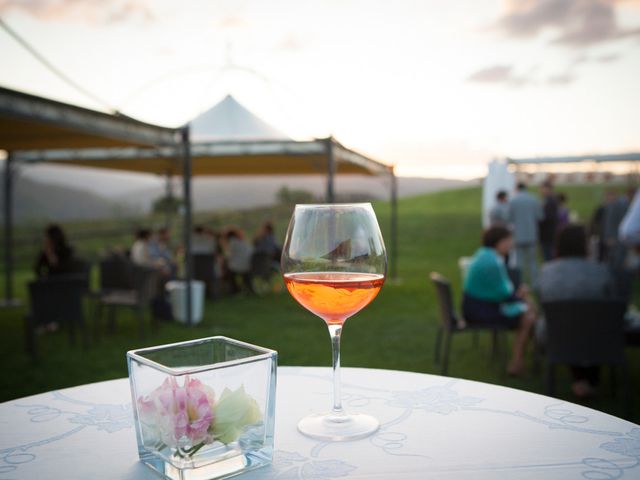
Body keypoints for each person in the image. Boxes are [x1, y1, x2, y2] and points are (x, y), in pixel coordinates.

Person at [538, 224, 617, 398]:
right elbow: (611, 301)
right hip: (599, 339)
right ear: (585, 244)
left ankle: (580, 379)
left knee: (571, 325)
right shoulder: (601, 271)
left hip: (556, 337)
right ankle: (588, 380)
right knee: (588, 324)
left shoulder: (547, 271)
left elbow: (543, 301)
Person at [462, 226, 537, 376]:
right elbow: (503, 294)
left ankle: (525, 357)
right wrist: (520, 296)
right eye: (508, 241)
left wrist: (518, 296)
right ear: (499, 241)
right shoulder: (491, 261)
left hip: (477, 307)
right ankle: (517, 363)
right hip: (480, 311)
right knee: (528, 315)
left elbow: (499, 291)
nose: (511, 244)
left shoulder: (485, 255)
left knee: (528, 308)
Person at [508, 182, 543, 284]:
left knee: (520, 261)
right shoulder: (534, 199)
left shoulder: (513, 200)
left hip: (518, 235)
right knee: (533, 261)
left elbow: (509, 218)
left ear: (517, 188)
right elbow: (540, 217)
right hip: (532, 234)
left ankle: (520, 283)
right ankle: (535, 283)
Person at [224, 227, 254, 294]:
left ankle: (234, 290)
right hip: (248, 265)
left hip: (238, 267)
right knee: (245, 276)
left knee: (228, 273)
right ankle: (245, 289)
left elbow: (229, 256)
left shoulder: (232, 242)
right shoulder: (243, 242)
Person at [539, 182, 559, 262]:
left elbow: (548, 217)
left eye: (543, 189)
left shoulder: (551, 201)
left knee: (549, 255)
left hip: (548, 232)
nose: (541, 191)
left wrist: (539, 218)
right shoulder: (547, 200)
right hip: (547, 232)